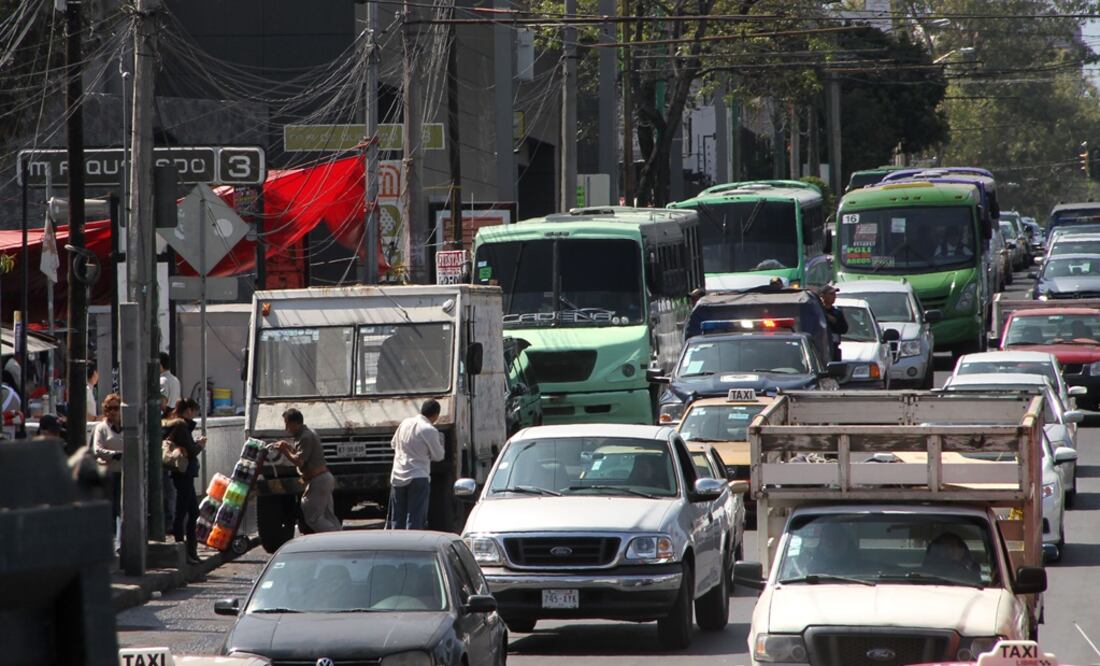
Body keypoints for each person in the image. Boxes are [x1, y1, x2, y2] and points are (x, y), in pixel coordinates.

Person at [274, 408, 340, 533]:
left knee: (313, 517)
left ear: (295, 423)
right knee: (327, 515)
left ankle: (336, 540)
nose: (286, 428)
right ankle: (339, 539)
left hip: (319, 480)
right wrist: (288, 447)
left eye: (287, 424)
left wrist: (284, 451)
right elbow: (304, 454)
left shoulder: (305, 436)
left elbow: (299, 461)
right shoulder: (306, 434)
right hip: (323, 479)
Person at [387, 399, 445, 529]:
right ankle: (413, 546)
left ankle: (396, 546)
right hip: (418, 477)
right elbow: (439, 456)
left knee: (397, 519)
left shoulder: (405, 423)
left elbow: (393, 444)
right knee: (415, 518)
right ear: (436, 415)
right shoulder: (430, 430)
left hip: (397, 477)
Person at [163, 398, 206, 563]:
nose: (194, 415)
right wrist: (200, 445)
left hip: (182, 473)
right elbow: (191, 450)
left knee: (192, 511)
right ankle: (183, 551)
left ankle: (190, 552)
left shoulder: (175, 424)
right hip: (183, 474)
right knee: (182, 513)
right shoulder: (181, 425)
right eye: (194, 412)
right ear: (188, 410)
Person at [92, 393, 124, 550]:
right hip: (108, 474)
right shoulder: (101, 428)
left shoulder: (127, 428)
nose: (112, 412)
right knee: (109, 509)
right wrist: (114, 455)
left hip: (124, 474)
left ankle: (119, 543)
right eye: (109, 408)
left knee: (121, 509)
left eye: (116, 408)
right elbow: (97, 449)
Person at [818, 284, 847, 362]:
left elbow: (844, 329)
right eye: (831, 294)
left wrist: (835, 321)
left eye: (834, 294)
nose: (834, 296)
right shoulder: (817, 312)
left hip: (834, 348)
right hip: (820, 349)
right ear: (822, 296)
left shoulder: (837, 312)